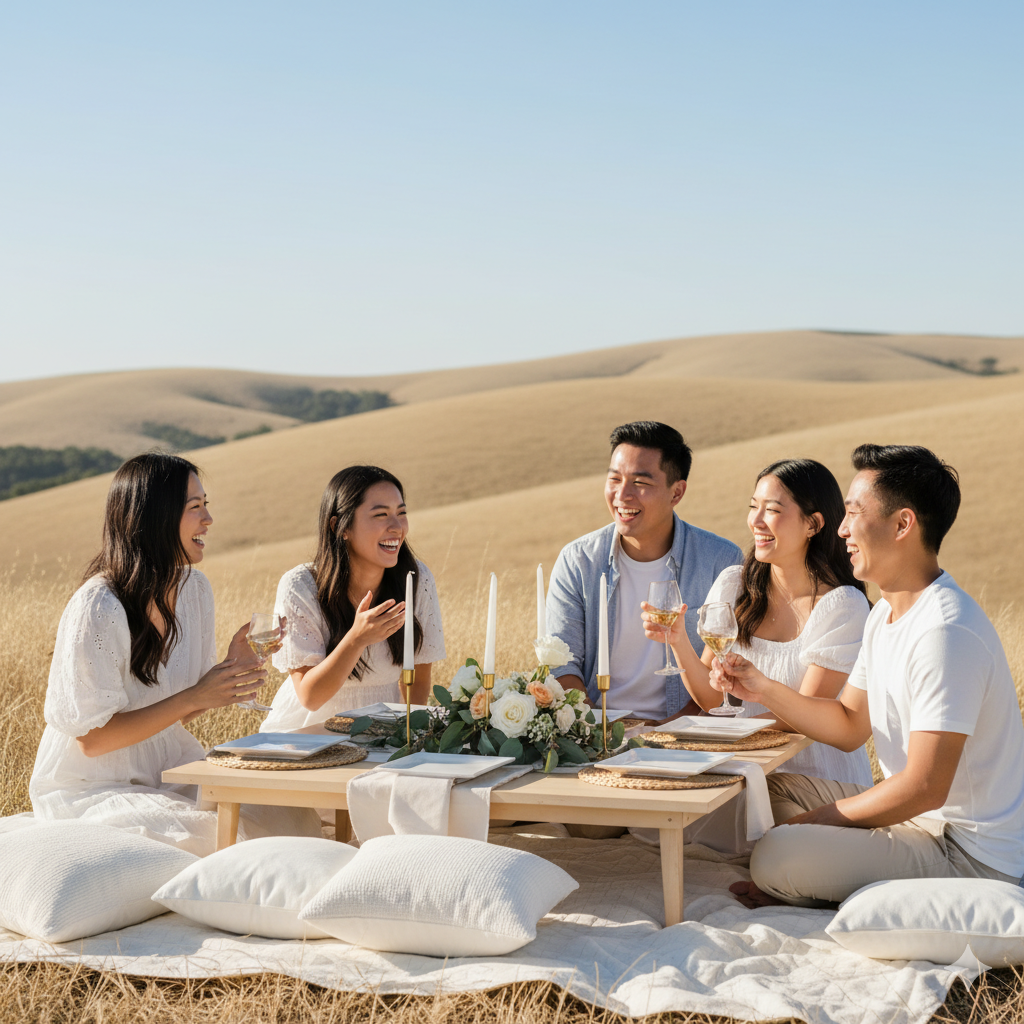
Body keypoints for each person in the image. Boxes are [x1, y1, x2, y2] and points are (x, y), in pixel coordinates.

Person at [716, 444, 1024, 908]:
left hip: (967, 853)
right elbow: (847, 725)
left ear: (903, 524)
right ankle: (826, 872)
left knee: (777, 852)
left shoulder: (945, 631)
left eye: (854, 513)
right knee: (768, 789)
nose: (841, 529)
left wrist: (819, 821)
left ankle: (816, 879)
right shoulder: (884, 615)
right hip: (918, 825)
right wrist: (762, 686)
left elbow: (925, 787)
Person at [30, 453, 321, 855]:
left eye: (207, 506)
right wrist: (197, 695)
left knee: (291, 817)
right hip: (93, 785)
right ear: (156, 517)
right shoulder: (99, 607)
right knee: (221, 840)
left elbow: (183, 710)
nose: (208, 520)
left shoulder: (194, 591)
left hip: (167, 768)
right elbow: (93, 742)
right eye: (194, 508)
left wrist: (228, 672)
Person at [644, 459, 873, 789]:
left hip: (814, 780)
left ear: (813, 524)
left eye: (773, 510)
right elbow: (712, 699)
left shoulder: (841, 606)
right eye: (754, 507)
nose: (756, 521)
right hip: (744, 773)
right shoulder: (734, 586)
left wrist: (719, 735)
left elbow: (798, 718)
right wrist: (678, 640)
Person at [546, 421, 742, 724]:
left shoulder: (721, 561)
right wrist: (600, 730)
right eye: (614, 479)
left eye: (640, 482)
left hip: (691, 734)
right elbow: (562, 666)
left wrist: (668, 731)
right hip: (595, 729)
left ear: (676, 492)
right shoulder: (578, 561)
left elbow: (725, 677)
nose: (622, 495)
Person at [260, 465, 445, 732]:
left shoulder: (416, 578)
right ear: (340, 527)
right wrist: (356, 639)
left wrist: (411, 733)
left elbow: (417, 676)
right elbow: (310, 697)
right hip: (310, 732)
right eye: (381, 514)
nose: (397, 527)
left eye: (401, 513)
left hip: (385, 730)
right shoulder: (300, 586)